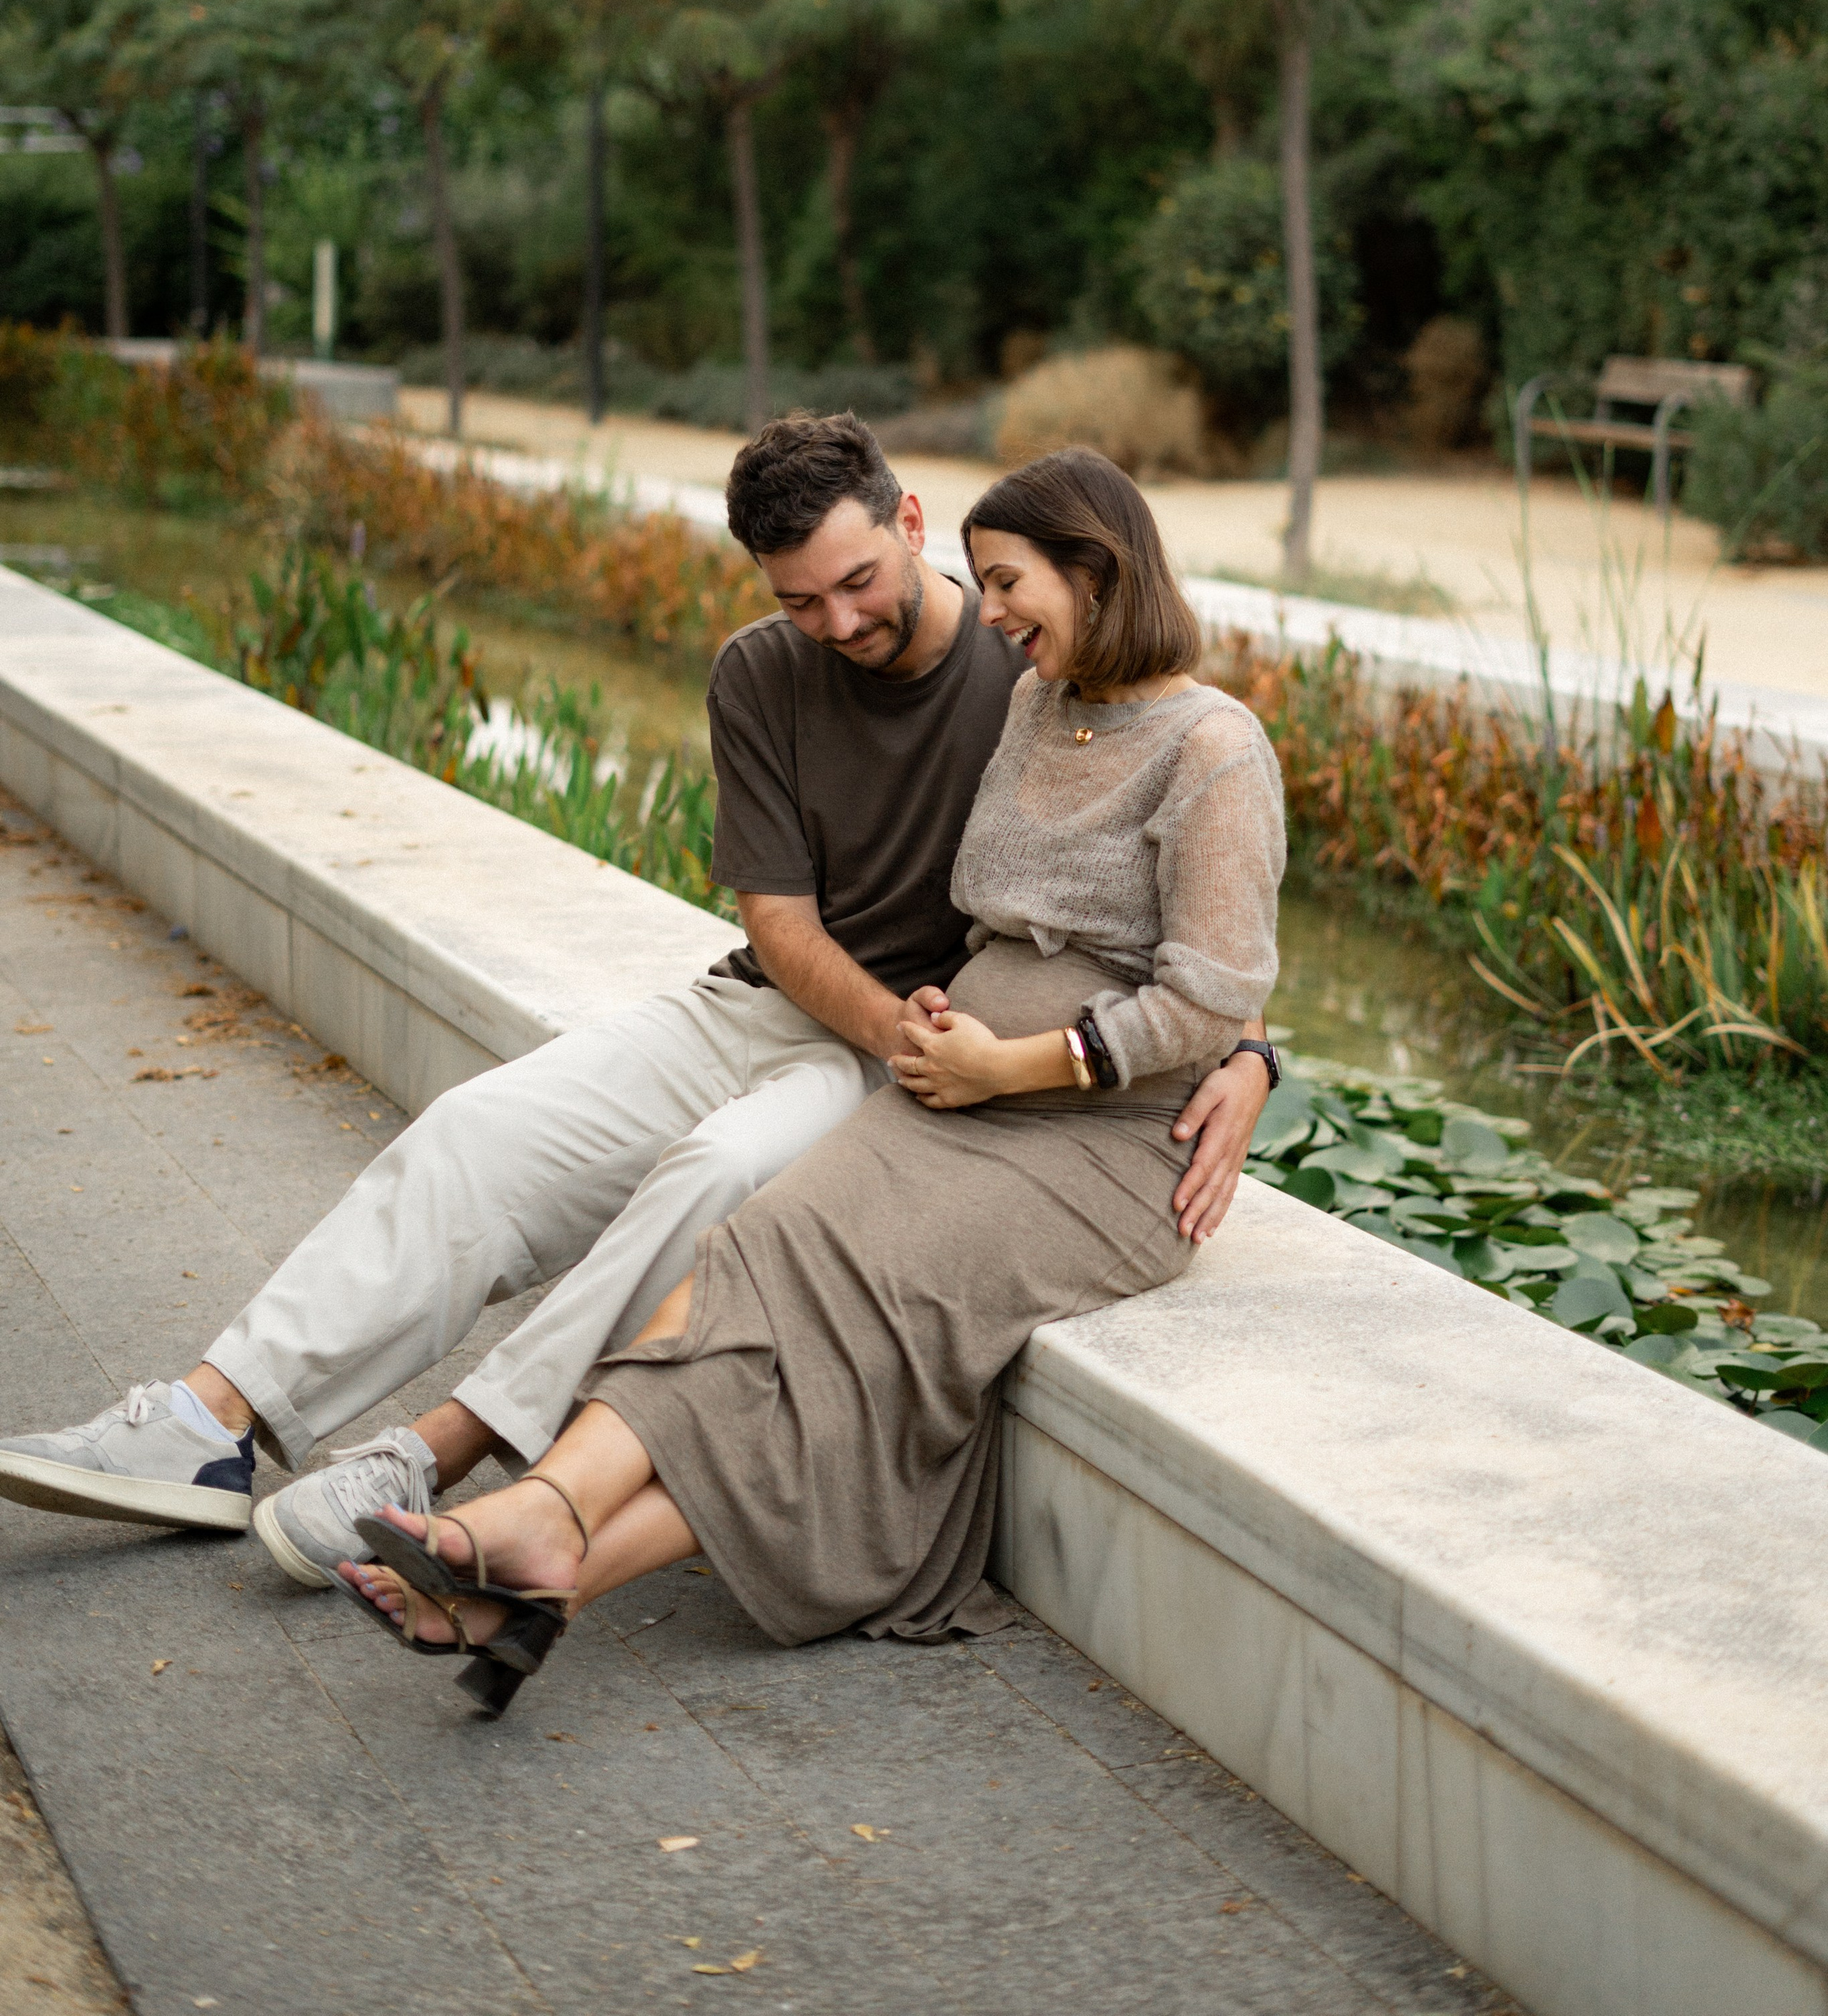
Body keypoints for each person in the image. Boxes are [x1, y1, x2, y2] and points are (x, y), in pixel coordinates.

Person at [0, 418, 1272, 1583]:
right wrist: (898, 1029)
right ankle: (204, 1425)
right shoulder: (761, 673)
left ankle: (432, 1461)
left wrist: (1254, 1053)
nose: (835, 621)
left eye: (857, 583)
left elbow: (1196, 873)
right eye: (799, 599)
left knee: (720, 1173)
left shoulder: (1027, 661)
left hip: (920, 1065)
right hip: (787, 1008)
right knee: (475, 1135)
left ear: (911, 524)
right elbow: (778, 925)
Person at [340, 446, 1286, 1715]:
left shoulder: (1216, 747)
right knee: (754, 1250)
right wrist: (954, 1021)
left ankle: (534, 1542)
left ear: (1097, 571)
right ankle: (546, 1539)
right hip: (958, 1092)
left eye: (1009, 585)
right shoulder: (1036, 706)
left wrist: (1070, 1059)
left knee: (845, 1322)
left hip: (1103, 1144)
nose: (992, 613)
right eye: (986, 586)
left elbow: (1213, 983)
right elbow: (988, 916)